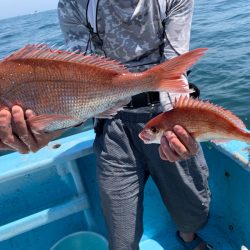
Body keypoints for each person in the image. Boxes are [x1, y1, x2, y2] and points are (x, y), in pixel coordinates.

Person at [0, 0, 213, 249]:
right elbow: (78, 85)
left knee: (192, 209)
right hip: (112, 125)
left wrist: (176, 128)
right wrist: (46, 132)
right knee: (121, 233)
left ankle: (188, 236)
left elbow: (175, 70)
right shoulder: (75, 4)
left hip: (165, 116)